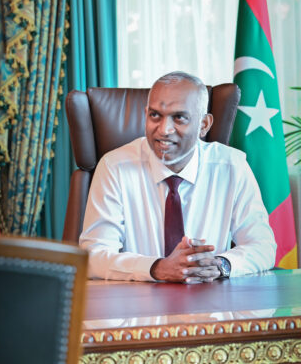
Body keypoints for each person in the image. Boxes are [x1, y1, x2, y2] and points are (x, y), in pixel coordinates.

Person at [79, 71, 276, 283]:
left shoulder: (232, 166)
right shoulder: (114, 167)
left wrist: (221, 265)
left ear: (204, 125)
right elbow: (93, 256)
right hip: (137, 299)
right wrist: (157, 268)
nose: (164, 130)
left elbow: (263, 246)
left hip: (208, 299)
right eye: (155, 115)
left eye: (179, 117)